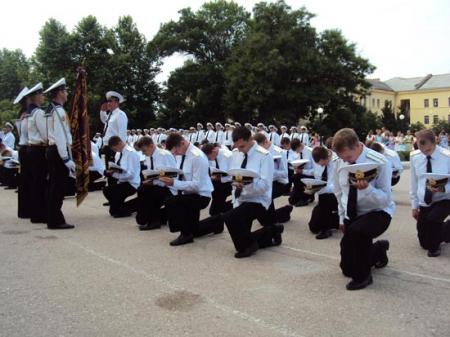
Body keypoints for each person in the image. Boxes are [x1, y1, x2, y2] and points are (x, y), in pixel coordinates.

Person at [333, 128, 394, 290]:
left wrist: (367, 189)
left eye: (348, 157)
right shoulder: (339, 161)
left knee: (356, 233)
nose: (345, 161)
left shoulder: (380, 162)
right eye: (341, 157)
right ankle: (379, 250)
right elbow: (339, 193)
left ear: (357, 146)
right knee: (347, 268)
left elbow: (385, 199)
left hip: (378, 212)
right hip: (352, 214)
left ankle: (364, 277)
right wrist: (341, 217)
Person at [222, 127, 284, 258]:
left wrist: (245, 188)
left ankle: (248, 247)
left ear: (250, 139)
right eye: (237, 146)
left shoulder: (264, 156)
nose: (239, 149)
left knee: (230, 217)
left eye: (242, 146)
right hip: (241, 198)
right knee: (242, 231)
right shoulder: (236, 153)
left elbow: (265, 185)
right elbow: (234, 174)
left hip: (258, 199)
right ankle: (273, 231)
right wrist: (235, 188)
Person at [161, 133, 220, 246]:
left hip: (200, 195)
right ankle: (216, 222)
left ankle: (185, 234)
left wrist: (174, 182)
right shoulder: (182, 154)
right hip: (188, 193)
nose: (175, 154)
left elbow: (196, 185)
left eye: (175, 150)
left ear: (182, 143)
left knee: (171, 201)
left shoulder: (197, 157)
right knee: (195, 230)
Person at [410, 129, 450, 257]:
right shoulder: (415, 157)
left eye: (427, 150)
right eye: (421, 150)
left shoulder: (447, 157)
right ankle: (447, 229)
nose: (425, 154)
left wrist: (443, 189)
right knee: (424, 242)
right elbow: (414, 183)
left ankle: (435, 248)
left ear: (434, 143)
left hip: (444, 198)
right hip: (425, 202)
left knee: (433, 221)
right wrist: (414, 206)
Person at [44, 78, 75, 230]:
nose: (67, 93)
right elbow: (61, 136)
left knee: (53, 187)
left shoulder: (50, 109)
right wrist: (66, 158)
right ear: (60, 93)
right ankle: (56, 220)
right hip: (58, 151)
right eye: (65, 91)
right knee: (57, 188)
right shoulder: (59, 111)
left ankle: (52, 218)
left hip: (51, 149)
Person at [135, 136, 177, 231]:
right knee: (142, 189)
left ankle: (153, 221)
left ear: (151, 146)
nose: (143, 153)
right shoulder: (149, 156)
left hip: (169, 187)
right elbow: (153, 173)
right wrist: (150, 180)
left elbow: (173, 174)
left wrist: (154, 182)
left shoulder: (164, 155)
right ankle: (148, 217)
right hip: (158, 185)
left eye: (144, 150)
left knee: (146, 191)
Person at [253, 133, 293, 224]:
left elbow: (284, 174)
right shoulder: (259, 152)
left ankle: (273, 219)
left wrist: (269, 172)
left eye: (260, 147)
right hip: (266, 182)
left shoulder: (279, 152)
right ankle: (284, 211)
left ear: (266, 142)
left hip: (279, 183)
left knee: (264, 193)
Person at [26, 83, 49, 224]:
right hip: (39, 149)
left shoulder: (30, 112)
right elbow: (45, 134)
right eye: (41, 94)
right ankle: (40, 214)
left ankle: (35, 213)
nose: (43, 97)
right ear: (36, 96)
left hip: (32, 149)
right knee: (40, 182)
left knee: (35, 182)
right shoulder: (39, 113)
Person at [103, 136, 140, 217]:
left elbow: (131, 175)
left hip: (132, 183)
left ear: (120, 143)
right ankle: (121, 206)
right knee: (107, 190)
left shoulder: (131, 153)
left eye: (115, 149)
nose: (115, 151)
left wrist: (114, 175)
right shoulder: (119, 153)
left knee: (114, 209)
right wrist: (111, 171)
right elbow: (118, 167)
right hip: (122, 182)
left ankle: (127, 207)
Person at [307, 146, 339, 239]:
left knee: (325, 197)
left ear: (327, 158)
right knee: (313, 227)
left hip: (338, 195)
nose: (320, 166)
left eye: (322, 164)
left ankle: (326, 229)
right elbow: (317, 177)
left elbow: (338, 186)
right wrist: (312, 188)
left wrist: (320, 189)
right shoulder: (319, 160)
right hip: (323, 193)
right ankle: (335, 219)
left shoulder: (337, 162)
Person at [13, 87, 31, 219]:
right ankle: (27, 210)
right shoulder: (26, 114)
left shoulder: (22, 113)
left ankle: (24, 210)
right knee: (28, 180)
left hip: (22, 148)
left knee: (24, 180)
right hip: (27, 148)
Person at [100, 91, 128, 173]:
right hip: (107, 147)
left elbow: (122, 134)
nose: (108, 103)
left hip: (114, 148)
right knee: (109, 172)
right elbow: (104, 120)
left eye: (110, 101)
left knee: (114, 173)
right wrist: (102, 111)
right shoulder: (110, 115)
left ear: (116, 102)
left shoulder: (120, 114)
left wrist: (119, 151)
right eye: (107, 101)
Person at [288, 139, 315, 207]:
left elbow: (315, 171)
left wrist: (302, 171)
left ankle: (306, 197)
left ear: (299, 146)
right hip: (300, 175)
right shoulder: (297, 152)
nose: (296, 152)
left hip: (310, 176)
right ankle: (301, 195)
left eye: (297, 150)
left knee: (296, 177)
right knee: (292, 201)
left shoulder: (310, 152)